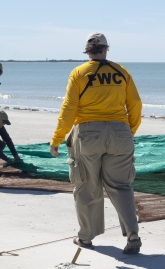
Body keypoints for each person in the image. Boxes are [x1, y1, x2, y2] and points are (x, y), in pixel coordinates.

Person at [49, 33, 143, 254]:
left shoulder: (79, 73)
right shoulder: (122, 72)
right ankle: (132, 234)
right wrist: (129, 131)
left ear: (87, 51)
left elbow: (69, 110)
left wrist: (57, 139)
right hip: (120, 132)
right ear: (106, 50)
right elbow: (135, 104)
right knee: (121, 186)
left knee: (87, 186)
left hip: (88, 133)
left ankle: (86, 237)